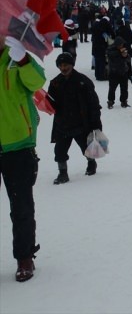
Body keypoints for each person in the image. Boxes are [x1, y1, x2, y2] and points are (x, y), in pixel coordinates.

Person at [0, 35, 45, 282]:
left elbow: (37, 81)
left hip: (18, 144)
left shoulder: (15, 56)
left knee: (21, 208)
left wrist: (24, 60)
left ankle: (24, 257)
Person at [47, 52, 103, 183]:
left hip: (81, 123)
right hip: (62, 124)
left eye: (66, 65)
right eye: (60, 65)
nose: (63, 68)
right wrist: (45, 103)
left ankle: (91, 163)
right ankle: (62, 173)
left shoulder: (83, 81)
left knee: (86, 147)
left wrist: (95, 123)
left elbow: (93, 104)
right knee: (59, 151)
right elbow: (52, 103)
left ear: (71, 65)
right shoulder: (55, 83)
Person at [105, 37, 131, 109]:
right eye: (121, 44)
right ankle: (110, 101)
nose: (122, 46)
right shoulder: (111, 49)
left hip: (123, 71)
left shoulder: (123, 49)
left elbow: (128, 58)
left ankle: (124, 101)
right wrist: (120, 53)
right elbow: (111, 56)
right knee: (112, 88)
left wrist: (125, 56)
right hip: (114, 72)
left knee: (124, 88)